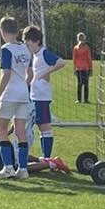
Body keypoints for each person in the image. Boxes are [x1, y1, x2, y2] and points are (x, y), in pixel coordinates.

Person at [0, 17, 32, 179]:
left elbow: (6, 74)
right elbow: (30, 73)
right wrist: (24, 86)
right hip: (23, 92)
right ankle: (23, 169)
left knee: (1, 129)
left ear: (2, 31)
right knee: (20, 131)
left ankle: (8, 167)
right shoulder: (25, 48)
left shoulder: (6, 48)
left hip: (10, 93)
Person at [28, 31, 67, 161]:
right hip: (36, 95)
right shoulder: (36, 55)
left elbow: (61, 62)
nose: (27, 46)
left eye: (29, 43)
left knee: (44, 127)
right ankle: (45, 157)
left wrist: (46, 72)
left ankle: (46, 158)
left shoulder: (44, 53)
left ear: (37, 41)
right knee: (40, 126)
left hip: (41, 96)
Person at [72, 32, 93, 104]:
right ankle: (82, 99)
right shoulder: (78, 48)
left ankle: (82, 99)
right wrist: (90, 68)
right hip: (82, 68)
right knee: (83, 84)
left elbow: (88, 58)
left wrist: (74, 68)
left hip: (82, 68)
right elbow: (88, 58)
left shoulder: (82, 48)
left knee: (82, 84)